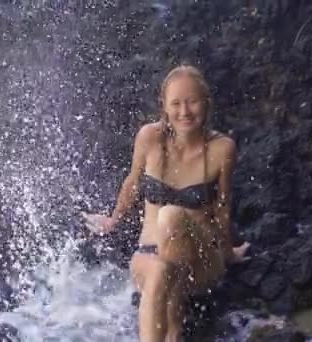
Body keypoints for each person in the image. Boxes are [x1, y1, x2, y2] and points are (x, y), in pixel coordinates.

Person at [82, 65, 251, 342]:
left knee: (170, 217)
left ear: (207, 103)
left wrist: (229, 254)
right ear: (164, 107)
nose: (184, 112)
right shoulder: (149, 137)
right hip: (149, 256)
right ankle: (172, 332)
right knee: (160, 269)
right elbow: (133, 182)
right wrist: (113, 219)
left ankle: (174, 325)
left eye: (192, 101)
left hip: (199, 261)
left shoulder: (222, 149)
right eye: (176, 103)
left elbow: (222, 207)